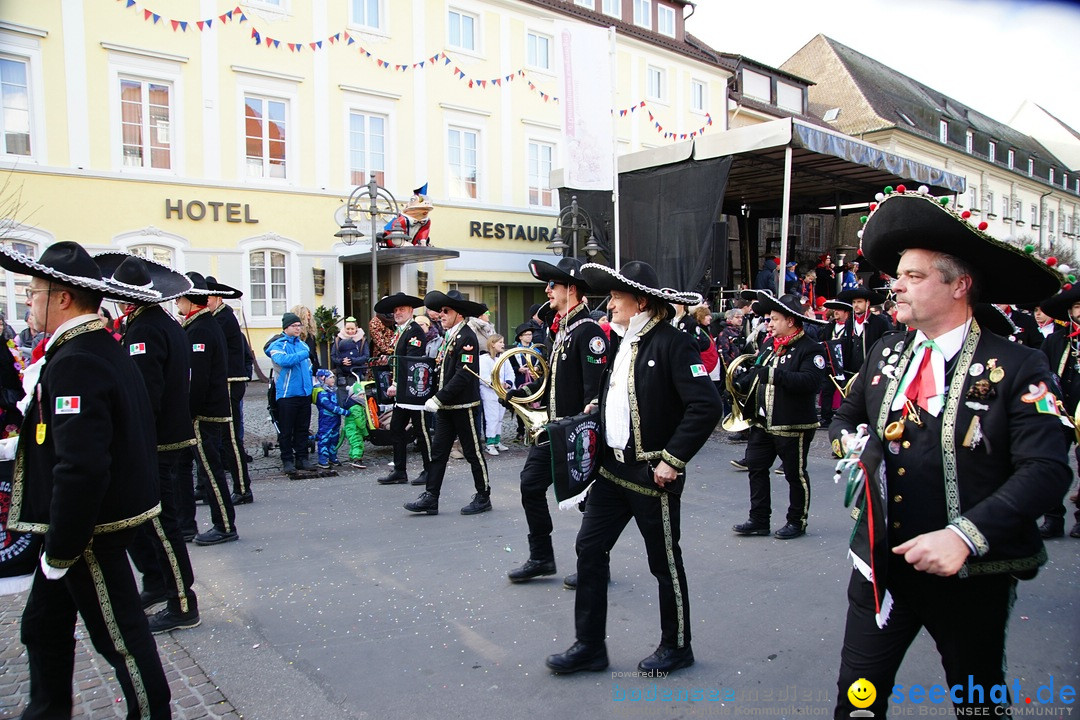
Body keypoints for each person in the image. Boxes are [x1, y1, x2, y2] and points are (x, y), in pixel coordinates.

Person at [830, 187, 1071, 718]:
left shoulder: (1019, 365)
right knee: (858, 697)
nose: (896, 286)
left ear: (959, 286)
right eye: (898, 275)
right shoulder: (886, 351)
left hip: (969, 577)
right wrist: (854, 451)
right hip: (881, 566)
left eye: (913, 276)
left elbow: (1048, 470)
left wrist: (965, 536)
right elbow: (847, 416)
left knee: (977, 700)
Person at [2, 241, 171, 718]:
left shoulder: (80, 357)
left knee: (121, 639)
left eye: (34, 292)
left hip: (86, 532)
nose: (29, 302)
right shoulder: (90, 348)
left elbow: (82, 466)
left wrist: (61, 548)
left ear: (61, 298)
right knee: (41, 625)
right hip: (81, 528)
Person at [545, 261, 721, 675]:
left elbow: (706, 405)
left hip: (650, 475)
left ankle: (677, 646)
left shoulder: (672, 343)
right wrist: (597, 409)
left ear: (640, 301)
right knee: (589, 550)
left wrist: (672, 461)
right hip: (611, 472)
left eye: (616, 297)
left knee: (664, 564)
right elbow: (623, 396)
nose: (609, 305)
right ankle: (589, 646)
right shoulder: (622, 341)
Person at [94, 252, 202, 634]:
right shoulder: (162, 323)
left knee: (162, 526)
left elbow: (146, 394)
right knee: (152, 523)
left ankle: (182, 601)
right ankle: (158, 583)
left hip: (158, 441)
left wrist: (135, 440)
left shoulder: (145, 329)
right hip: (167, 437)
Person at [507, 258, 609, 584]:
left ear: (572, 289)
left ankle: (595, 565)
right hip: (553, 429)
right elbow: (553, 382)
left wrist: (584, 433)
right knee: (530, 485)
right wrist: (522, 391)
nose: (547, 290)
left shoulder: (589, 331)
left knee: (588, 501)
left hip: (576, 432)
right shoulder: (562, 329)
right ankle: (541, 557)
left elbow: (595, 395)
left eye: (553, 285)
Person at [731, 291, 828, 540]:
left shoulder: (810, 348)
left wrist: (772, 375)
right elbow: (756, 371)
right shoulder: (769, 345)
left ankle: (797, 521)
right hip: (762, 422)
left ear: (791, 321)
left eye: (774, 319)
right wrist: (738, 385)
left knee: (794, 475)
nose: (769, 324)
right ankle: (759, 519)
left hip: (792, 423)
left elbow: (812, 382)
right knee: (756, 468)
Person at [404, 290, 492, 516]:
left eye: (446, 311)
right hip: (446, 408)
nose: (440, 315)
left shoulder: (467, 337)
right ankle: (431, 497)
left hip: (463, 407)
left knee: (473, 453)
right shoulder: (450, 336)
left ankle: (483, 496)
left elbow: (464, 374)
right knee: (438, 453)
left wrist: (439, 397)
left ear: (458, 314)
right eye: (440, 311)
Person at [177, 272, 239, 546]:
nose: (177, 302)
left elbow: (197, 379)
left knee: (210, 471)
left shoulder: (200, 327)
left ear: (189, 300)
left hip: (205, 412)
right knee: (207, 469)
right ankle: (211, 523)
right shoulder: (200, 324)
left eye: (180, 297)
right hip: (206, 410)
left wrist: (187, 411)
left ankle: (224, 525)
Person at [374, 292, 433, 486]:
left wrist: (396, 384)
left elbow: (412, 360)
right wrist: (387, 360)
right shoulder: (401, 330)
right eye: (396, 310)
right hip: (403, 392)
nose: (397, 312)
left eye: (401, 309)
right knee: (397, 429)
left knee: (421, 431)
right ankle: (400, 471)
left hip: (414, 390)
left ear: (410, 310)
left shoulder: (414, 330)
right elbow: (398, 358)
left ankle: (430, 470)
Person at [1035, 285, 1080, 539]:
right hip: (1059, 411)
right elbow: (1040, 372)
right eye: (1076, 307)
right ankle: (1053, 518)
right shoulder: (1056, 340)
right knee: (1052, 463)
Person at [205, 276, 254, 506]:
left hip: (230, 382)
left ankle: (242, 488)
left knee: (231, 439)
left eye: (206, 298)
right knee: (223, 438)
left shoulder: (222, 318)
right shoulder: (218, 317)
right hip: (225, 382)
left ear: (217, 297)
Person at [265, 311, 315, 473]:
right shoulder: (278, 345)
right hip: (287, 395)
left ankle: (302, 458)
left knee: (302, 428)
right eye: (294, 326)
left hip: (304, 394)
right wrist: (304, 354)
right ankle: (287, 460)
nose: (298, 328)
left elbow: (309, 366)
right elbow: (283, 361)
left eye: (299, 325)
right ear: (286, 327)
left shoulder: (302, 344)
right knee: (286, 430)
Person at [313, 369, 350, 469]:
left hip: (335, 420)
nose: (333, 379)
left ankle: (332, 456)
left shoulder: (332, 390)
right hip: (326, 420)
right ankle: (323, 459)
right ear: (322, 379)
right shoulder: (322, 393)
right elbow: (328, 406)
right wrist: (343, 412)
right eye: (330, 377)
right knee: (325, 438)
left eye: (333, 377)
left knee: (334, 439)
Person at [330, 316, 370, 388]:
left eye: (352, 329)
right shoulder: (338, 339)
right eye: (348, 329)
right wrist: (342, 361)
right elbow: (333, 356)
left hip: (358, 374)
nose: (350, 331)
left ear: (356, 328)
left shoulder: (362, 340)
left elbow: (366, 356)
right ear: (344, 328)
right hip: (341, 376)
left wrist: (352, 361)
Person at [340, 373, 370, 469]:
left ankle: (352, 456)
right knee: (357, 444)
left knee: (353, 444)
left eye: (363, 394)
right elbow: (360, 422)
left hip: (350, 428)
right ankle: (357, 459)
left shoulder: (352, 405)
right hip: (355, 429)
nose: (362, 397)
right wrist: (365, 431)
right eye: (360, 395)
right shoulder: (357, 407)